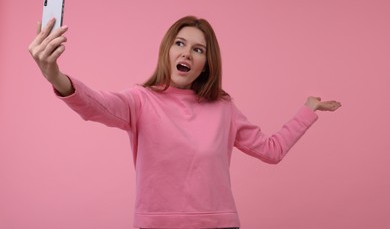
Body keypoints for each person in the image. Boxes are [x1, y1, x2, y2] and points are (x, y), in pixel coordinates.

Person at [28, 16, 341, 229]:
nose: (187, 53)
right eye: (180, 43)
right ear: (167, 49)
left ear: (206, 64)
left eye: (198, 49)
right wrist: (56, 75)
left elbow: (272, 150)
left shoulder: (223, 109)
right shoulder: (140, 100)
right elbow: (97, 104)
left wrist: (308, 110)